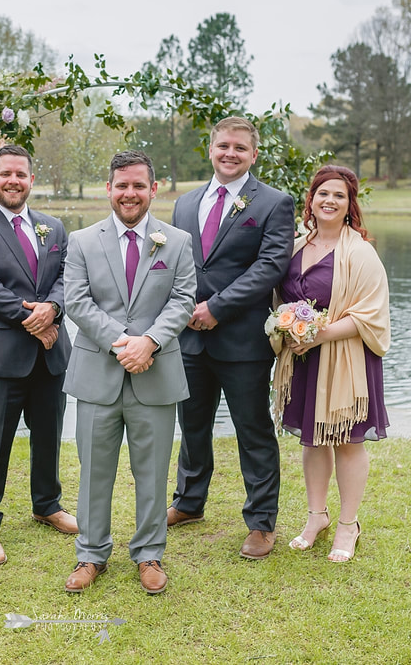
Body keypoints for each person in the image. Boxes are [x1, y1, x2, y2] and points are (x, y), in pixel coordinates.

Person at [62, 150, 196, 595]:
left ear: (153, 189)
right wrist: (125, 343)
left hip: (155, 373)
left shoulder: (176, 241)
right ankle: (90, 554)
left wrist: (149, 342)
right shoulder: (81, 241)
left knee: (153, 473)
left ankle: (149, 553)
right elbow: (77, 301)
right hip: (99, 374)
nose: (130, 193)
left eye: (139, 185)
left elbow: (182, 300)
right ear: (109, 189)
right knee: (94, 471)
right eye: (122, 185)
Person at [169, 116, 295, 560]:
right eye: (223, 145)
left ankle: (261, 522)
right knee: (192, 425)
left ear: (253, 155)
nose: (230, 153)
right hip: (187, 337)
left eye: (240, 148)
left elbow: (270, 266)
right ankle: (189, 501)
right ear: (210, 149)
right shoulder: (185, 203)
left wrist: (216, 308)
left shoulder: (275, 203)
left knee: (253, 430)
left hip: (241, 339)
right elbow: (174, 263)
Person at [0, 144, 77, 565]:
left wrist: (54, 309)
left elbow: (67, 278)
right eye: (5, 174)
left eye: (21, 175)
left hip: (52, 353)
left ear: (31, 180)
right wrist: (36, 320)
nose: (13, 181)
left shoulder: (54, 228)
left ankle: (48, 504)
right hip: (0, 353)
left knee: (49, 433)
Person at [272, 164, 390, 563]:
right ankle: (316, 516)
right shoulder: (295, 245)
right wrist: (286, 330)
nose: (330, 200)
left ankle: (347, 525)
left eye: (339, 195)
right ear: (312, 199)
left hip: (346, 359)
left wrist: (320, 335)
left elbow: (372, 314)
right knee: (311, 438)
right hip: (303, 359)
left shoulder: (361, 253)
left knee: (346, 441)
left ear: (349, 204)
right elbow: (278, 297)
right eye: (323, 193)